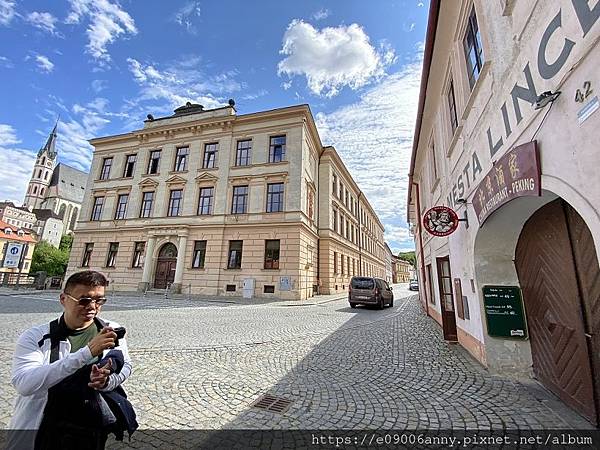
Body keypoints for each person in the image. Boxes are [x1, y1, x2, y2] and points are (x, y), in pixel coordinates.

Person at [7, 270, 136, 450]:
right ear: (63, 299)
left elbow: (126, 366)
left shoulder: (110, 329)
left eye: (99, 300)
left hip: (90, 428)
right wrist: (87, 352)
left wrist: (106, 381)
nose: (92, 306)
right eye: (84, 300)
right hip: (44, 428)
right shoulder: (35, 337)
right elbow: (24, 384)